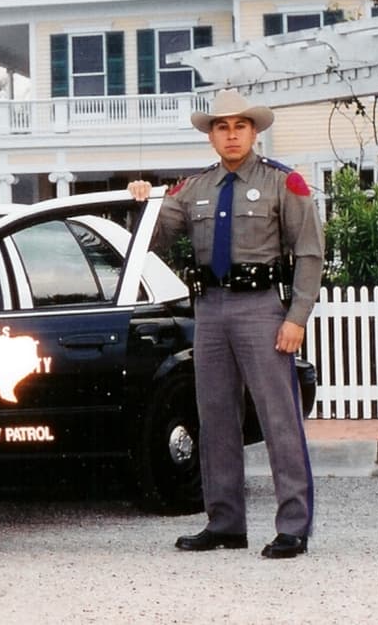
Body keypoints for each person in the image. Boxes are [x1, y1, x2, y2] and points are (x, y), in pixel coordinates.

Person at [128, 88, 324, 560]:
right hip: (210, 311)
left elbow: (310, 253)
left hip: (261, 309)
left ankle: (293, 527)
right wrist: (143, 203)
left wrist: (296, 317)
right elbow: (150, 240)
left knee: (279, 420)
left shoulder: (284, 183)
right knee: (214, 418)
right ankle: (225, 522)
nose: (231, 135)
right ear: (211, 136)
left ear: (254, 132)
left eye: (240, 126)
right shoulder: (192, 189)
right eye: (222, 127)